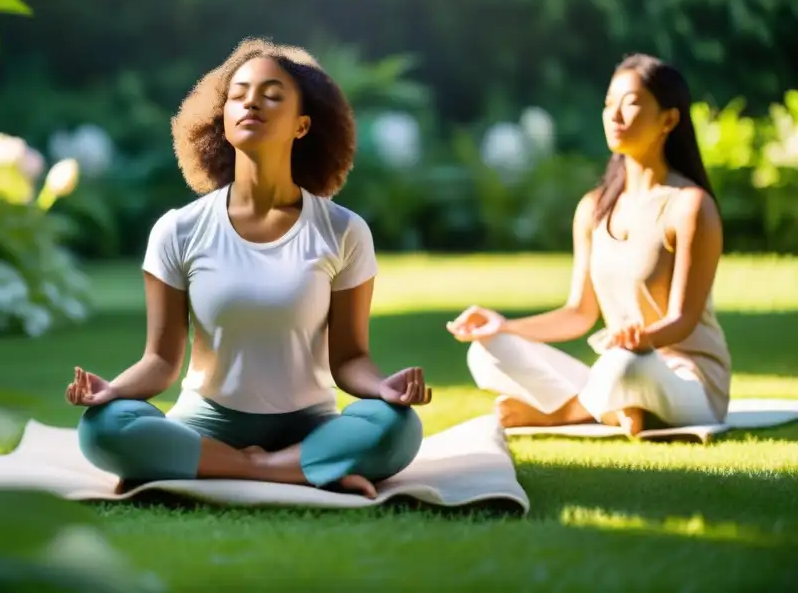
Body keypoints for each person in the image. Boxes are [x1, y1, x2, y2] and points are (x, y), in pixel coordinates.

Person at [66, 38, 431, 499]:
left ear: (302, 125)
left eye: (271, 94)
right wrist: (111, 392)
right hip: (205, 423)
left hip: (310, 426)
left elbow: (350, 359)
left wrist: (383, 387)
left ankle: (209, 469)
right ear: (222, 118)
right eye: (238, 95)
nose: (252, 102)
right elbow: (160, 361)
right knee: (104, 427)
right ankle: (295, 471)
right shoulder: (179, 230)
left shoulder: (343, 231)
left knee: (395, 425)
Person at [448, 54, 731, 436]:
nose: (614, 115)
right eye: (608, 104)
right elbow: (580, 313)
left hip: (684, 380)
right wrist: (505, 326)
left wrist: (642, 340)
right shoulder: (594, 208)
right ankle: (621, 410)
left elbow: (684, 319)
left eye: (629, 103)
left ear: (669, 119)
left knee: (627, 364)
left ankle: (562, 413)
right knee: (486, 348)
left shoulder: (690, 206)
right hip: (615, 365)